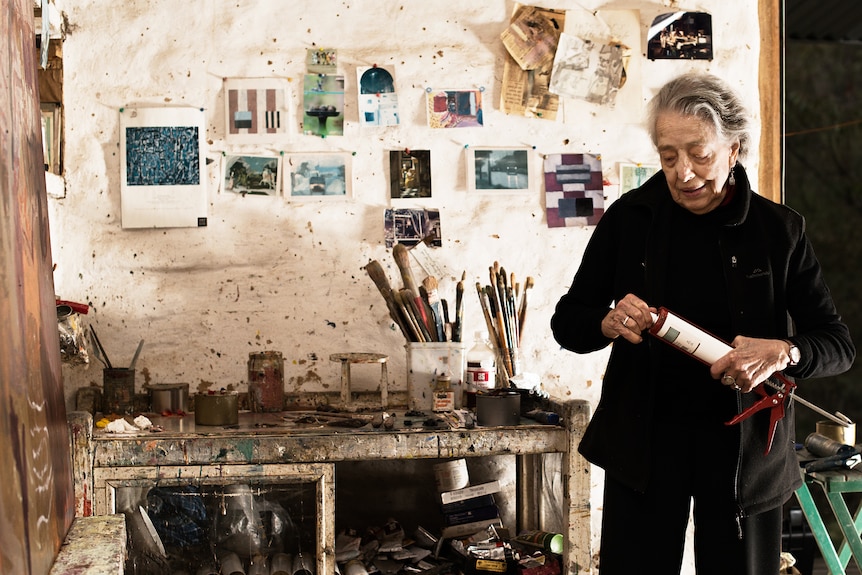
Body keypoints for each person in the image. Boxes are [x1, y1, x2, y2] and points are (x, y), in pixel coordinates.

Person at [551, 72, 855, 574]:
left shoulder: (779, 230)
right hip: (645, 442)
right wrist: (606, 323)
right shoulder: (630, 219)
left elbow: (837, 343)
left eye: (699, 154)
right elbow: (569, 321)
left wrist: (783, 351)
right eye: (668, 156)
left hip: (746, 448)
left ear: (733, 149)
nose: (683, 173)